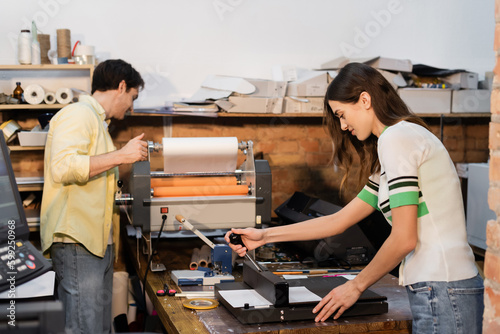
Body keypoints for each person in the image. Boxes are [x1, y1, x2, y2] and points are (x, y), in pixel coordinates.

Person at [226, 63, 484, 334]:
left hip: (443, 287)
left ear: (365, 99)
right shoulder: (396, 144)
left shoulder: (397, 138)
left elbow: (404, 238)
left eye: (342, 114)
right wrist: (265, 236)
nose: (343, 125)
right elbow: (338, 221)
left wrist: (356, 286)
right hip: (441, 287)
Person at [40, 59, 147, 334]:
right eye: (132, 97)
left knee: (97, 328)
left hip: (96, 242)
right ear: (121, 86)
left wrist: (123, 162)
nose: (131, 107)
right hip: (77, 240)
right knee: (83, 328)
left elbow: (95, 174)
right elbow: (63, 167)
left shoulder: (99, 123)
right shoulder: (78, 115)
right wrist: (121, 154)